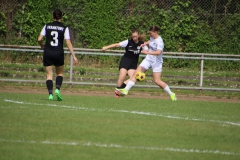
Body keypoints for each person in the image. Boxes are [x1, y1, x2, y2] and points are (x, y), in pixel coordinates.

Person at [117, 26, 177, 101]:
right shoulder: (152, 37)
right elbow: (151, 41)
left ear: (155, 32)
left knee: (157, 81)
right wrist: (145, 44)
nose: (150, 35)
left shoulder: (160, 41)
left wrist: (147, 52)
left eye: (151, 33)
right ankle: (125, 90)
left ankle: (171, 94)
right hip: (148, 59)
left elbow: (158, 52)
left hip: (156, 62)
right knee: (136, 73)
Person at [38, 9, 78, 101]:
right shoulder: (64, 28)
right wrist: (74, 56)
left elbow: (39, 39)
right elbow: (68, 43)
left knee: (49, 75)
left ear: (53, 17)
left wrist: (42, 46)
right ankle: (57, 89)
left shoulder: (47, 26)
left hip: (48, 52)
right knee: (59, 73)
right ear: (61, 17)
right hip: (58, 52)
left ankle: (50, 94)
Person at [102, 29, 148, 98]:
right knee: (122, 77)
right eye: (133, 37)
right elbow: (117, 45)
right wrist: (106, 47)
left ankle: (120, 89)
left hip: (133, 63)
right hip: (125, 61)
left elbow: (148, 51)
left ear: (138, 36)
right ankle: (117, 94)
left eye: (136, 36)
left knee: (134, 78)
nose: (134, 38)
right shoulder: (128, 42)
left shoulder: (142, 44)